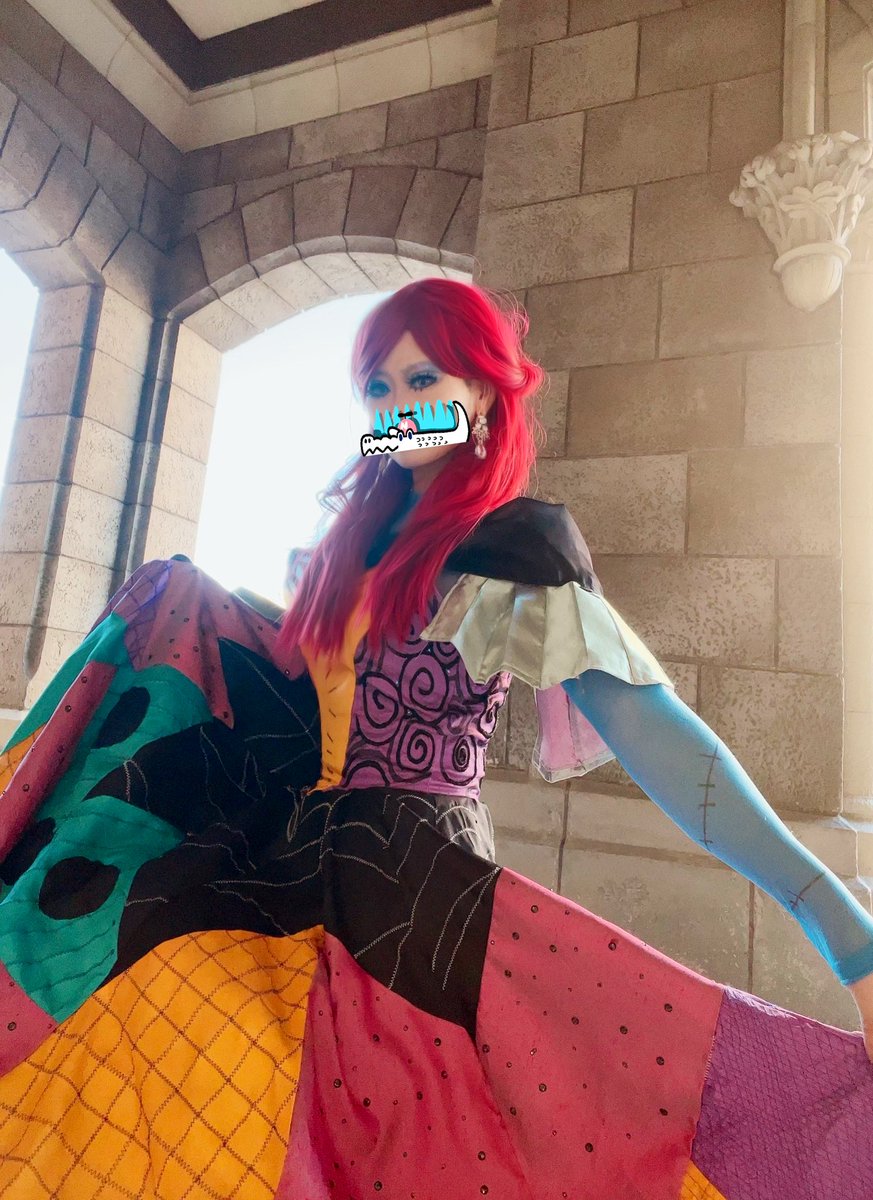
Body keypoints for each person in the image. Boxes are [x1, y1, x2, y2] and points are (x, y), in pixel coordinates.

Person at [0, 278, 870, 1199]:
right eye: (377, 388)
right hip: (284, 872)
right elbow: (291, 702)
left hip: (416, 899)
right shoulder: (349, 550)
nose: (397, 407)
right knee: (141, 1040)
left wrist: (840, 922)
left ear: (484, 392)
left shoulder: (514, 550)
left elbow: (653, 732)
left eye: (423, 380)